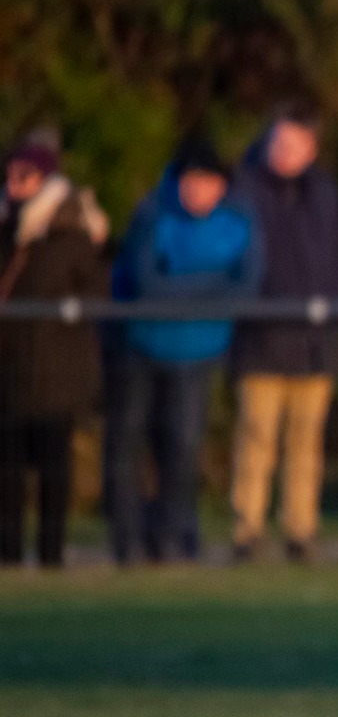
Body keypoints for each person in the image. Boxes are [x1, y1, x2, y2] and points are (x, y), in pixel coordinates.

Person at [107, 139, 263, 564]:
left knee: (182, 446)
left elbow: (244, 288)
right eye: (190, 182)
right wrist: (208, 287)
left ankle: (172, 538)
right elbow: (146, 284)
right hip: (139, 346)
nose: (197, 192)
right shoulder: (152, 214)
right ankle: (127, 541)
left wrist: (181, 287)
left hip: (197, 351)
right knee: (126, 442)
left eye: (207, 182)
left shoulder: (238, 223)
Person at [229, 108, 338, 563]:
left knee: (306, 441)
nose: (284, 154)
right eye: (278, 143)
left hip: (314, 339)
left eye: (294, 145)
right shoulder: (248, 190)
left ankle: (301, 529)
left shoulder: (324, 193)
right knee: (257, 436)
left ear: (311, 150)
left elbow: (330, 263)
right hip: (262, 335)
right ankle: (248, 529)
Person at [0, 129, 109, 567]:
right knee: (6, 470)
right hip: (8, 370)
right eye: (10, 173)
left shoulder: (72, 234)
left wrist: (69, 311)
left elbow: (97, 294)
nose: (15, 182)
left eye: (25, 174)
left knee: (52, 468)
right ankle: (7, 552)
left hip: (57, 372)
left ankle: (51, 552)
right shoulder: (7, 231)